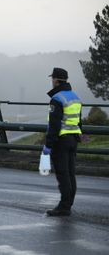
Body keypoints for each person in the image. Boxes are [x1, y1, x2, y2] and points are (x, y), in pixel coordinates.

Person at [43, 67, 82, 217]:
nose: (51, 81)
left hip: (61, 141)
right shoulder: (75, 97)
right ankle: (68, 203)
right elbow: (79, 122)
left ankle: (64, 207)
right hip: (73, 139)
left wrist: (48, 145)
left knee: (63, 174)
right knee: (71, 173)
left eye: (52, 79)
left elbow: (54, 125)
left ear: (56, 80)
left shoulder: (57, 99)